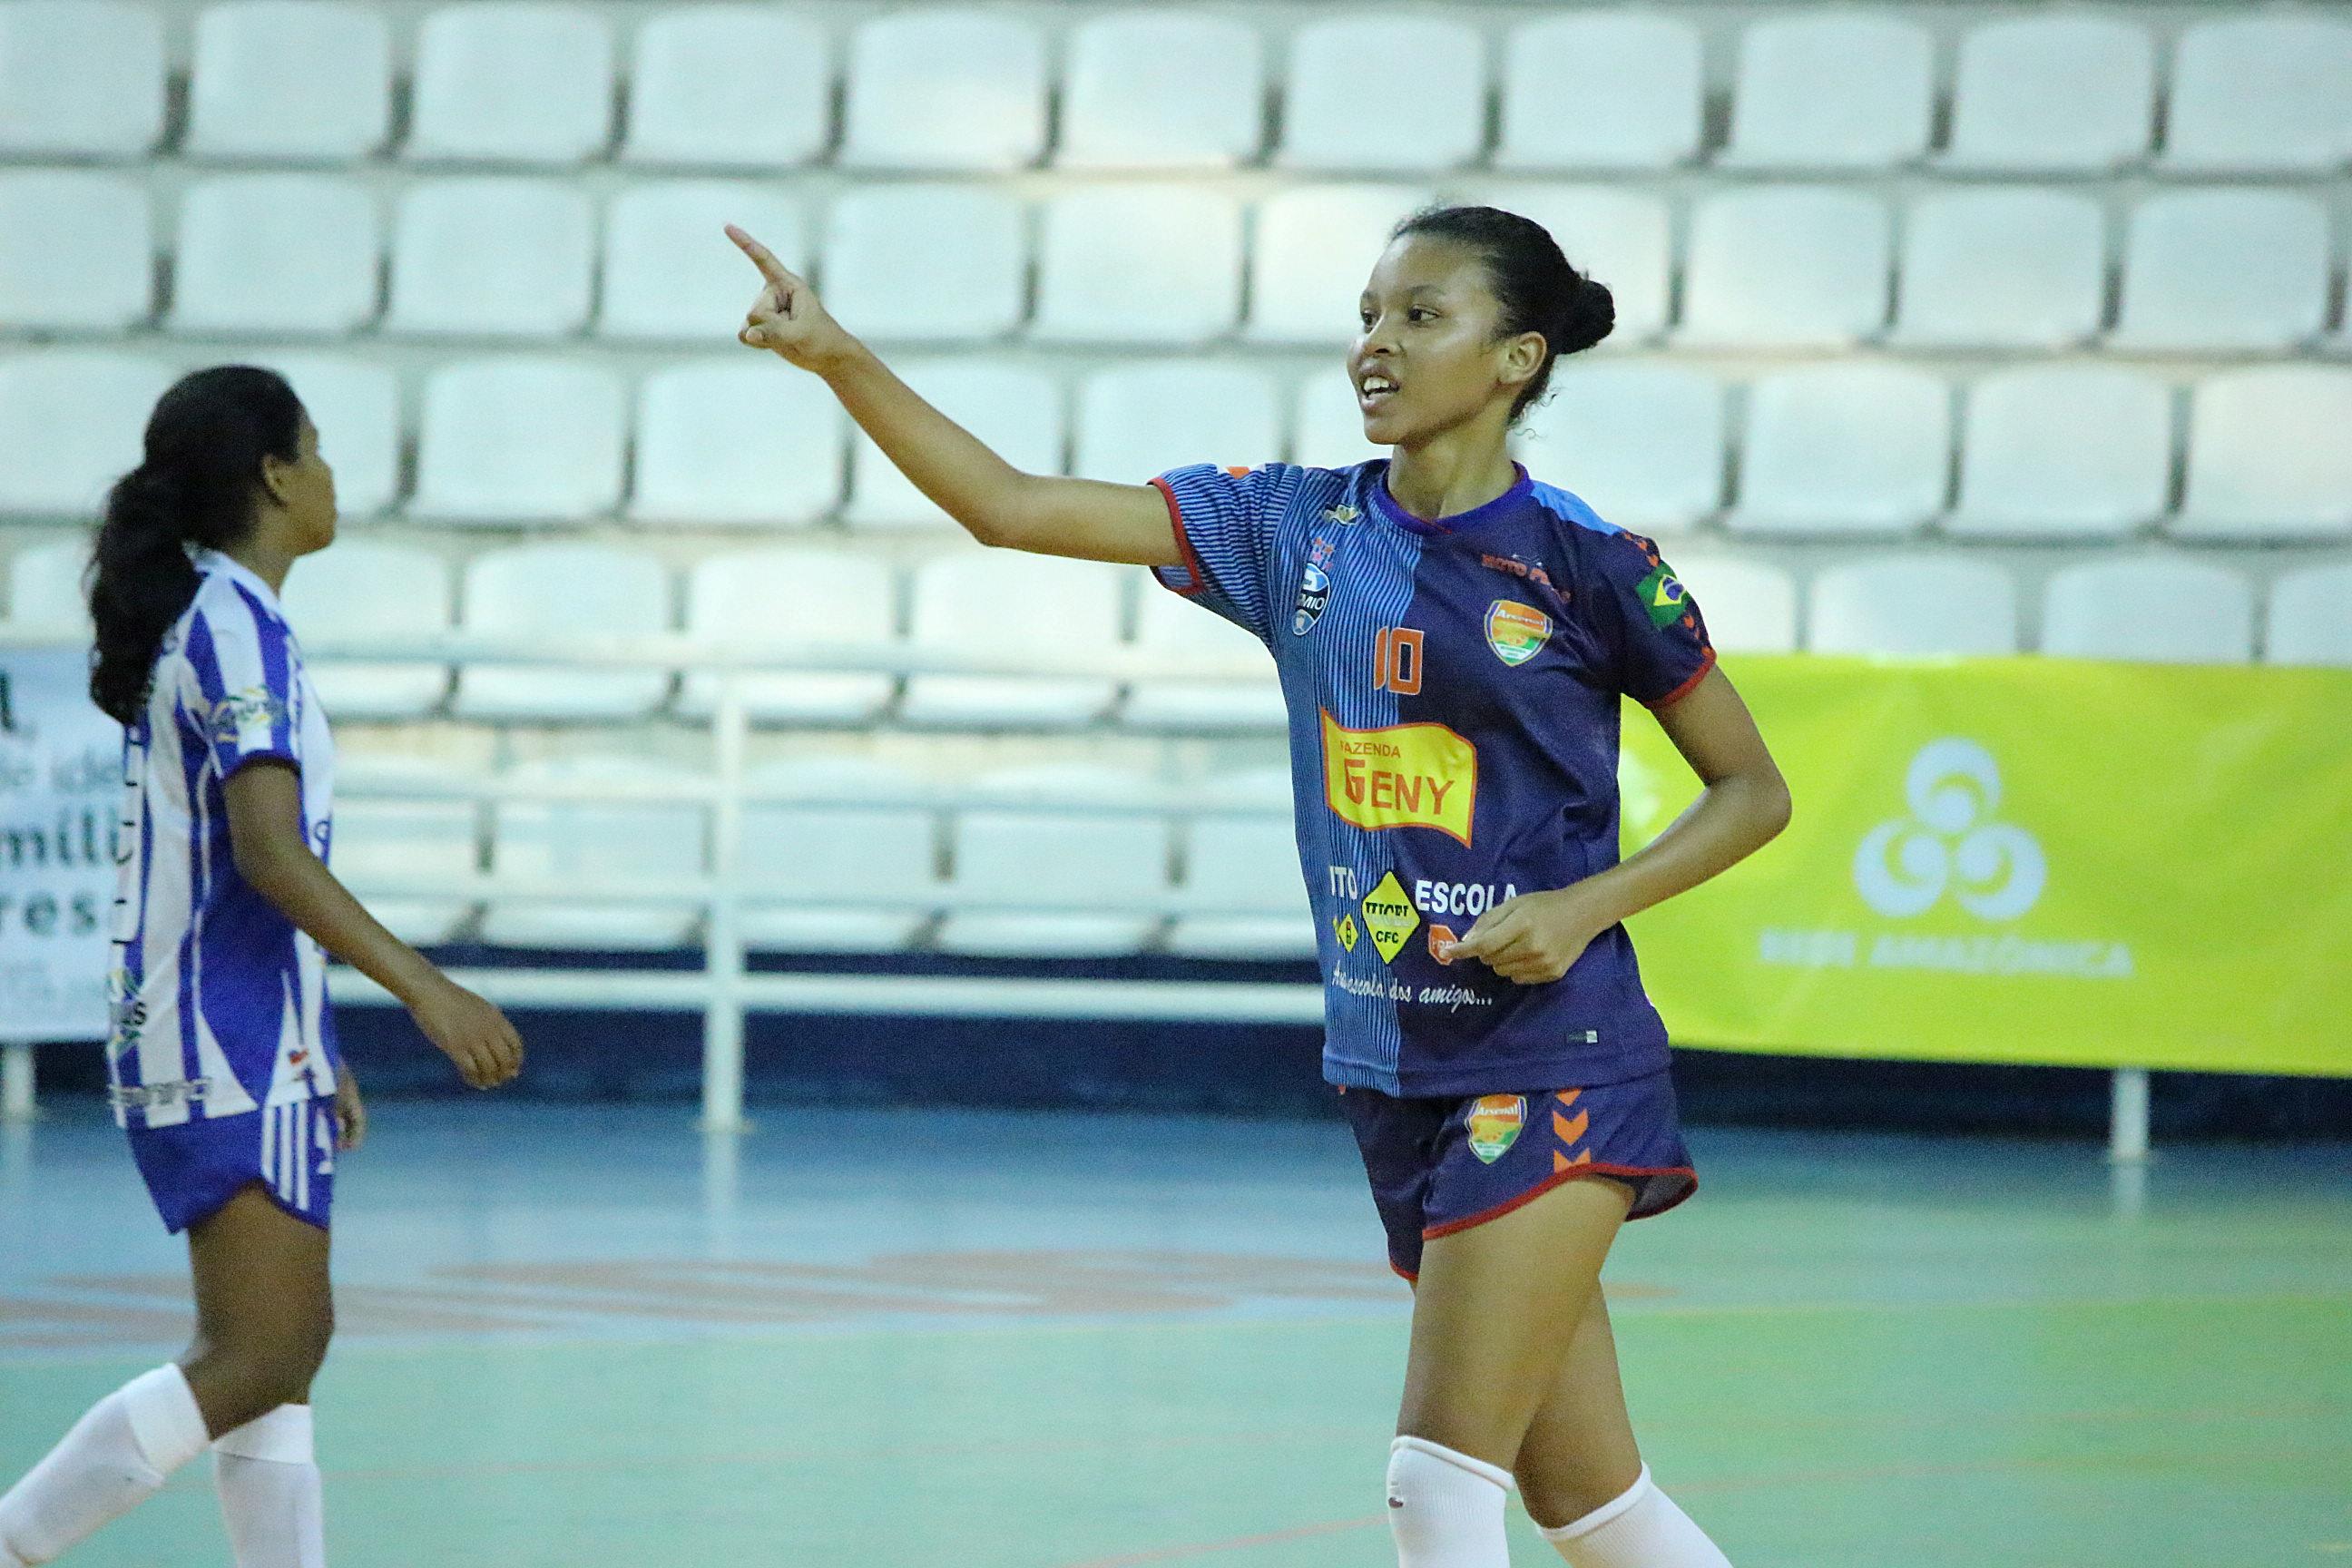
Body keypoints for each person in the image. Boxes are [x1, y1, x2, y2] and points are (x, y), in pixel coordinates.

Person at [724, 202, 1788, 1568]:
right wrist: (838, 357)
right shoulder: (1291, 527)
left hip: (1559, 1053)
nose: (1376, 346)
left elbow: (1754, 791)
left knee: (1436, 1482)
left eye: (1421, 315)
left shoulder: (1593, 565)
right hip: (1389, 1060)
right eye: (1367, 315)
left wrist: (1586, 906)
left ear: (1518, 358)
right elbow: (1011, 507)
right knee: (1591, 1502)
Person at [0, 366, 525, 1568]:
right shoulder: (235, 628)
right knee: (260, 1355)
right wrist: (426, 989)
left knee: (275, 1365)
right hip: (219, 1027)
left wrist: (319, 1035)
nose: (335, 476)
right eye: (319, 449)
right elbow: (269, 855)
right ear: (276, 476)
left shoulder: (227, 619)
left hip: (237, 1022)